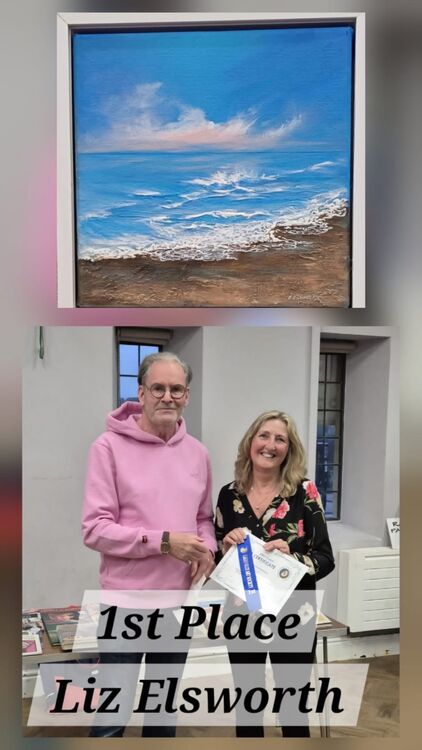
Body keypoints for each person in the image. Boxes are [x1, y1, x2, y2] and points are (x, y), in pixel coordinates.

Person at [82, 352, 216, 737]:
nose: (167, 397)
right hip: (125, 606)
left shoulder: (199, 454)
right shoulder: (107, 448)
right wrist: (165, 542)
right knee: (113, 716)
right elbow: (95, 529)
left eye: (176, 389)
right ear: (140, 393)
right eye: (158, 388)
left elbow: (203, 518)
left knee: (162, 716)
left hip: (178, 604)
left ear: (187, 396)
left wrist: (207, 549)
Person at [215, 410, 335, 737]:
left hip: (294, 615)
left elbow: (325, 558)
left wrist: (292, 559)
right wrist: (225, 547)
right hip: (242, 614)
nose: (270, 445)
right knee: (247, 709)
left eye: (280, 439)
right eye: (264, 436)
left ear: (289, 449)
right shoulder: (229, 495)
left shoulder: (304, 492)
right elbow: (217, 557)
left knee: (293, 710)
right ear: (250, 442)